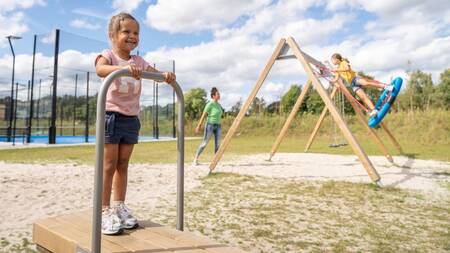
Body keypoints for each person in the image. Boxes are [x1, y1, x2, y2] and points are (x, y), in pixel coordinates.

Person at [95, 12, 175, 235]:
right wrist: (122, 69)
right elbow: (100, 69)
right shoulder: (108, 55)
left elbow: (154, 73)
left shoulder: (138, 61)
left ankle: (119, 205)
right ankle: (103, 210)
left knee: (122, 164)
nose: (132, 36)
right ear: (113, 35)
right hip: (111, 116)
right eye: (126, 31)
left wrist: (165, 75)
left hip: (131, 118)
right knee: (108, 165)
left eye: (136, 32)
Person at [193, 87, 223, 165]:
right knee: (205, 143)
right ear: (213, 96)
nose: (219, 95)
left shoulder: (219, 105)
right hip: (210, 125)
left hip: (218, 126)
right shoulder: (210, 104)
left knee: (218, 144)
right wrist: (199, 126)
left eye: (219, 94)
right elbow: (203, 115)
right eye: (217, 94)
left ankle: (215, 161)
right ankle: (195, 159)